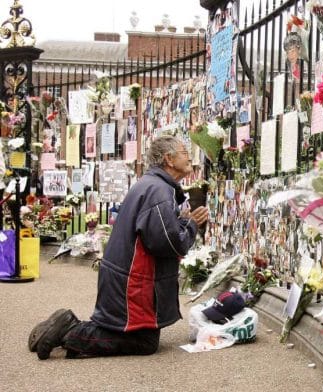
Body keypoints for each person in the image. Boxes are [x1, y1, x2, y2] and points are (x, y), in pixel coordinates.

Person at [29, 135, 209, 359]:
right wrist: (191, 225)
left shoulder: (153, 185)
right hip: (134, 281)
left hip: (126, 275)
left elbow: (158, 231)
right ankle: (70, 331)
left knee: (132, 334)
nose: (189, 157)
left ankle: (65, 327)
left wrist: (183, 222)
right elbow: (167, 243)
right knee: (143, 342)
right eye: (184, 152)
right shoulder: (159, 191)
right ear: (169, 159)